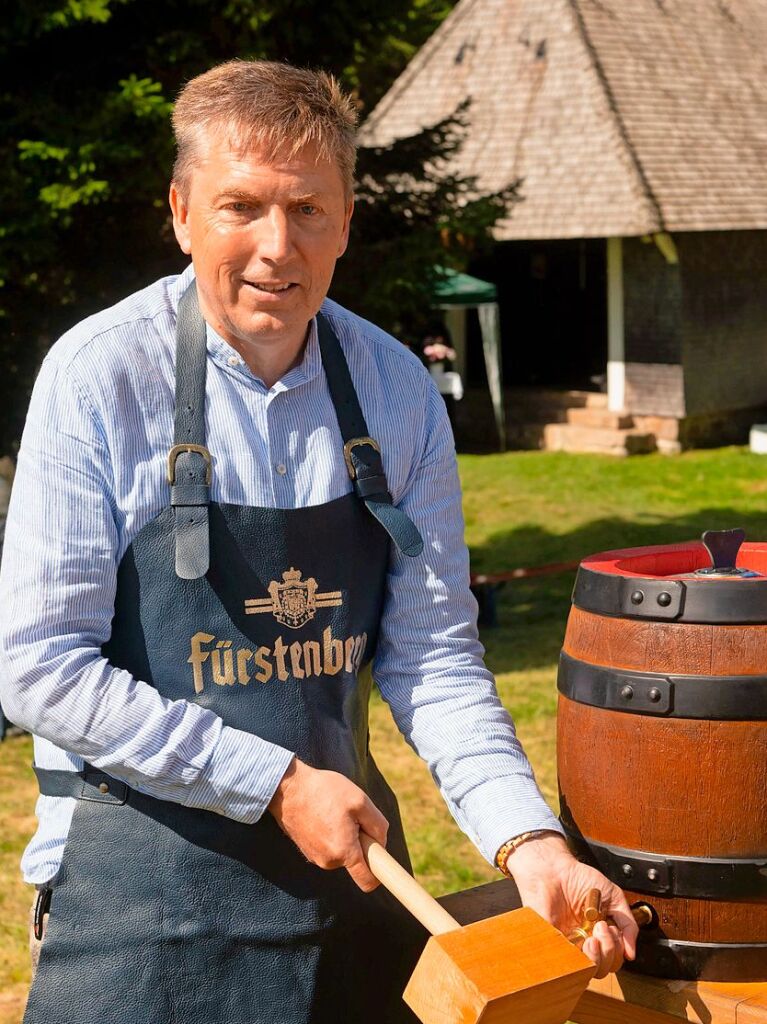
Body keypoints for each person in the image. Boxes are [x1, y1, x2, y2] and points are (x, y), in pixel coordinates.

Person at [0, 60, 636, 1024]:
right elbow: (39, 668)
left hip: (349, 908)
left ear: (345, 221)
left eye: (306, 209)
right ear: (180, 212)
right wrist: (275, 783)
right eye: (239, 206)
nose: (275, 246)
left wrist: (528, 842)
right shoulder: (97, 380)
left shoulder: (395, 390)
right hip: (141, 922)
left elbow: (434, 660)